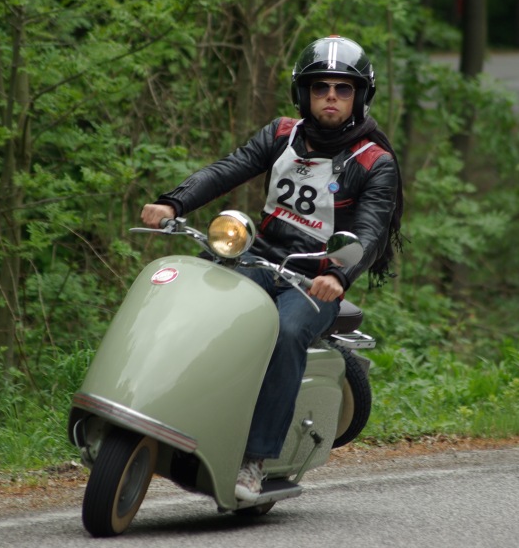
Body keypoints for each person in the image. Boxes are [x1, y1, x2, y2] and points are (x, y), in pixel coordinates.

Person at [141, 35, 403, 501]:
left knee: (285, 331)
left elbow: (370, 230)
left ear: (360, 96)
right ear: (303, 93)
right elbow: (229, 168)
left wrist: (337, 275)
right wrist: (173, 202)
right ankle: (161, 408)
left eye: (343, 89)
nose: (330, 97)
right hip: (257, 255)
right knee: (193, 298)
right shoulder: (282, 134)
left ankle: (254, 460)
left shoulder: (373, 161)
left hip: (315, 278)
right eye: (320, 87)